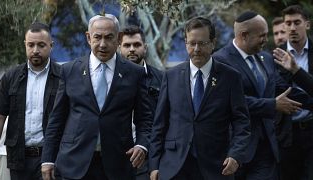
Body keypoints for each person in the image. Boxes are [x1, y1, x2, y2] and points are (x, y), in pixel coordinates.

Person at [41, 14, 152, 180]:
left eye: (109, 37)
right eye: (97, 37)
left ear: (119, 38)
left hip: (118, 164)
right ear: (88, 37)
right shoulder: (70, 71)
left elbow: (145, 119)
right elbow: (56, 119)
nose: (102, 44)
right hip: (74, 163)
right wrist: (48, 159)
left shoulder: (134, 73)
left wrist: (142, 144)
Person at [149, 16, 251, 180]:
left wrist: (236, 155)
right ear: (186, 43)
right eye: (192, 43)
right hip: (174, 166)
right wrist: (153, 166)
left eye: (202, 43)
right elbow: (159, 124)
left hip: (216, 166)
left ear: (212, 43)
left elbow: (242, 122)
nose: (196, 49)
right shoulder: (170, 76)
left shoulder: (230, 77)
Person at [213, 11, 305, 180]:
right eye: (262, 35)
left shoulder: (266, 58)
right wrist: (271, 105)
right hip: (235, 150)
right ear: (244, 35)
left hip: (267, 149)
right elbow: (226, 101)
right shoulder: (220, 61)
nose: (266, 39)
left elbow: (283, 89)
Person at [0, 22, 61, 180]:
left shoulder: (63, 76)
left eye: (41, 45)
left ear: (51, 45)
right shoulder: (11, 76)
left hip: (52, 157)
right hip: (18, 158)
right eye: (31, 45)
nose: (35, 50)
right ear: (25, 45)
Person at [274, 5, 313, 180]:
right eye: (288, 23)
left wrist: (297, 70)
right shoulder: (273, 56)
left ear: (307, 24)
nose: (292, 28)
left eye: (297, 22)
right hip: (286, 135)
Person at [119, 25, 163, 180]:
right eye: (127, 45)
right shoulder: (110, 79)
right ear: (119, 48)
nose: (132, 49)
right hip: (115, 158)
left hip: (149, 158)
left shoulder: (162, 79)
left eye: (136, 45)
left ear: (145, 47)